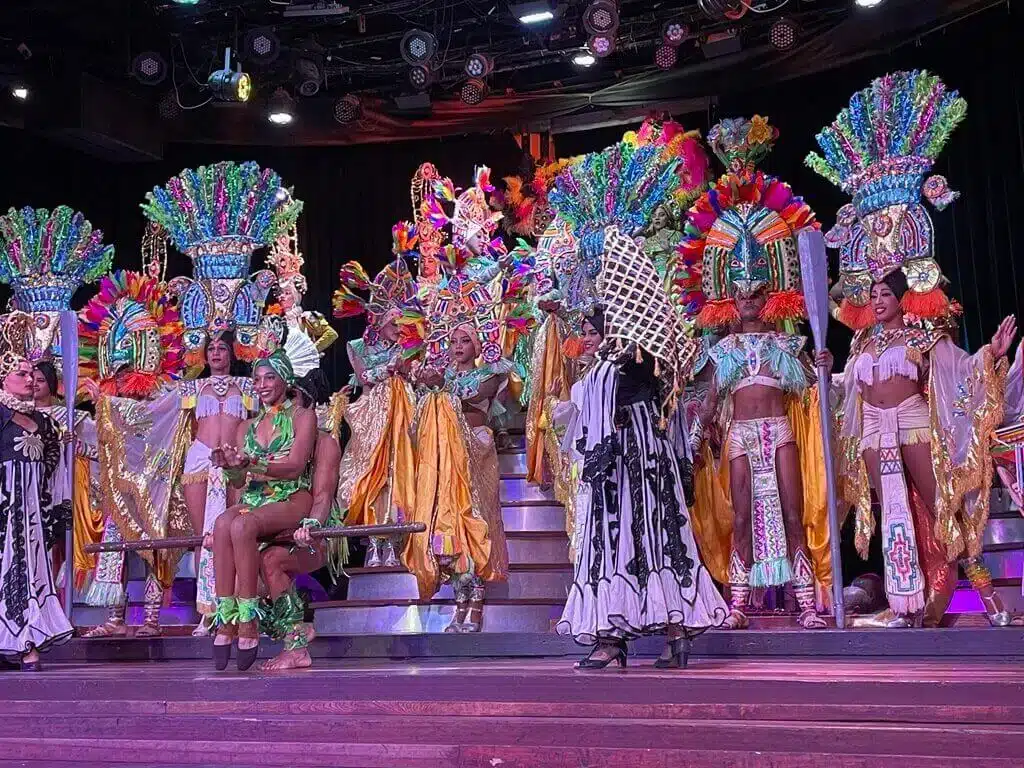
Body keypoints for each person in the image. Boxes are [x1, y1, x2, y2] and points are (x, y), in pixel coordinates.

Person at [807, 70, 1021, 627]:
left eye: (887, 293)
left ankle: (986, 595)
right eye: (873, 292)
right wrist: (826, 372)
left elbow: (957, 372)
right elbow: (842, 391)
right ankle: (905, 602)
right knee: (892, 513)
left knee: (941, 503)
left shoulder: (926, 335)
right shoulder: (860, 341)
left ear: (904, 296)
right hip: (874, 428)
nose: (878, 300)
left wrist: (991, 354)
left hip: (915, 422)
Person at [548, 130, 726, 668]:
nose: (589, 329)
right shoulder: (598, 365)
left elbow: (690, 369)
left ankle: (675, 630)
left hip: (641, 458)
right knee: (609, 541)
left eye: (597, 321)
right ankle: (611, 637)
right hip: (608, 468)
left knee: (653, 535)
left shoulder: (643, 351)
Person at [682, 116, 831, 630]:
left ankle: (807, 603)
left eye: (756, 293)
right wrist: (696, 432)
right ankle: (740, 604)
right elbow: (705, 400)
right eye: (740, 293)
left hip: (781, 433)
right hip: (742, 436)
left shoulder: (786, 343)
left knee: (793, 514)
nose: (747, 300)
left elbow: (810, 394)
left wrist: (823, 368)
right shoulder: (720, 352)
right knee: (742, 518)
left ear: (769, 297)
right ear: (732, 296)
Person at [403, 278, 511, 633]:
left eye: (467, 340)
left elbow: (478, 395)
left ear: (479, 344)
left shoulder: (489, 374)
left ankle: (476, 603)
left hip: (475, 448)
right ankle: (459, 601)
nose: (459, 346)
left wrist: (438, 386)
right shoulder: (440, 375)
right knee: (446, 528)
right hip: (443, 454)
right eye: (453, 340)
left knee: (473, 521)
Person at [209, 346, 318, 671]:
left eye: (270, 377)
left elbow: (296, 466)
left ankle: (248, 621)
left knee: (242, 526)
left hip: (289, 497)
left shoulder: (302, 416)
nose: (262, 384)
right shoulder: (245, 427)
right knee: (220, 524)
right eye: (257, 379)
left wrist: (252, 462)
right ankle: (226, 617)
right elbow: (240, 480)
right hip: (255, 498)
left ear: (285, 378)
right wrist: (230, 466)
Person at [333, 250, 418, 569]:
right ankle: (372, 541)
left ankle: (396, 542)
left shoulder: (410, 348)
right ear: (379, 322)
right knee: (370, 476)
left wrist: (403, 365)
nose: (399, 327)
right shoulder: (357, 347)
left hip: (403, 415)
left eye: (402, 321)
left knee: (399, 474)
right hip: (371, 418)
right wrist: (389, 369)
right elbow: (365, 379)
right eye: (393, 322)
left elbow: (415, 376)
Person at [257, 370, 344, 671]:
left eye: (292, 399)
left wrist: (312, 526)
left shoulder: (324, 444)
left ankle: (295, 647)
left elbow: (322, 497)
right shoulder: (266, 439)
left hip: (313, 534)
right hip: (274, 528)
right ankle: (295, 628)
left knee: (271, 561)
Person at [0, 313, 73, 670]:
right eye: (22, 374)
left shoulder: (44, 422)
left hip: (31, 516)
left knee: (30, 574)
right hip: (3, 512)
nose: (30, 380)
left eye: (33, 375)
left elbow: (51, 469)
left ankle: (26, 639)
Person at [178, 331, 254, 636]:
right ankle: (206, 611)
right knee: (204, 537)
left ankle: (234, 606)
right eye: (211, 349)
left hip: (236, 461)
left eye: (223, 348)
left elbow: (254, 423)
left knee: (237, 534)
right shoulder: (192, 386)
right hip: (201, 461)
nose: (217, 353)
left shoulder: (248, 385)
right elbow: (180, 427)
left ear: (232, 353)